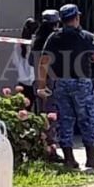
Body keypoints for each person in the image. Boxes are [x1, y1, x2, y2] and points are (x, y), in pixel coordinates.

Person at [37, 4, 94, 169]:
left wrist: (41, 85)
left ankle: (69, 159)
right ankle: (91, 157)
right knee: (88, 118)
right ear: (76, 18)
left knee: (65, 120)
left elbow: (43, 62)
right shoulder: (86, 37)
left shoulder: (54, 38)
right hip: (82, 83)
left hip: (61, 83)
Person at [30, 9, 64, 163]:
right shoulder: (54, 39)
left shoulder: (35, 39)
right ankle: (50, 150)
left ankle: (41, 147)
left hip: (36, 81)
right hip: (50, 82)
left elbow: (31, 61)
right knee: (51, 116)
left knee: (40, 115)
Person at [12, 18, 38, 110]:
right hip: (34, 82)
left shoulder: (18, 44)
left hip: (22, 82)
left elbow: (15, 61)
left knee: (23, 111)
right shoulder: (36, 44)